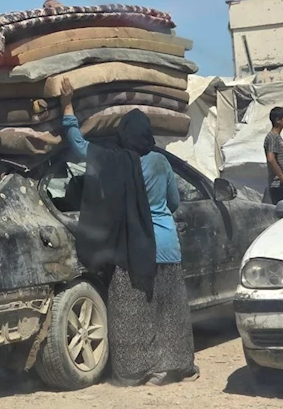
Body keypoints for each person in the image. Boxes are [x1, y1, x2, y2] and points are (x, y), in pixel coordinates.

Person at [59, 77, 198, 386]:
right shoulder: (161, 162)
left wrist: (67, 106)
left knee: (132, 313)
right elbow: (174, 202)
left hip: (132, 248)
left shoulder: (115, 161)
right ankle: (174, 366)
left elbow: (80, 147)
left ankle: (135, 372)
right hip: (167, 245)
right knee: (169, 312)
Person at [265, 107, 283, 204]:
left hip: (282, 183)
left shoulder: (277, 137)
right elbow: (271, 159)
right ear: (278, 120)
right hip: (278, 184)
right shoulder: (272, 137)